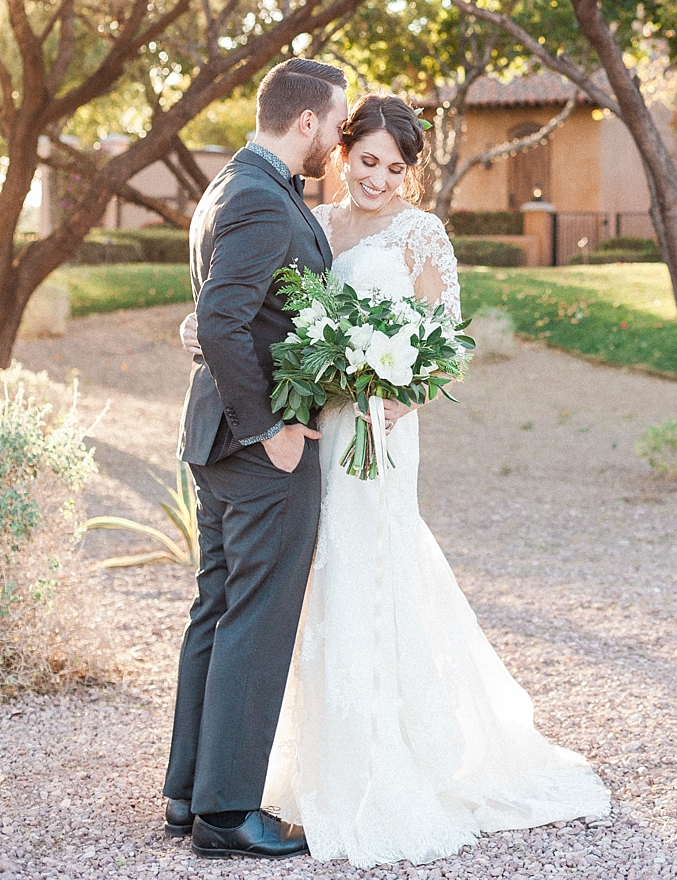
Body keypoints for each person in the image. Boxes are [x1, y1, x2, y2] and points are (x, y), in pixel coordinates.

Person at [180, 93, 610, 866]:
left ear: (412, 173)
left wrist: (385, 386)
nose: (377, 178)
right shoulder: (312, 222)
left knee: (364, 576)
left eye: (394, 167)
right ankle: (271, 769)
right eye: (366, 160)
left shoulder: (422, 235)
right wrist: (203, 329)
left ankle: (376, 764)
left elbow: (440, 350)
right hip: (308, 429)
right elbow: (262, 318)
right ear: (340, 151)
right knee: (296, 594)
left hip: (375, 432)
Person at [163, 58, 348, 861]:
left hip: (214, 439)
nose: (339, 140)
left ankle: (187, 793)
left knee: (217, 607)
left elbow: (228, 315)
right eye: (337, 124)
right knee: (256, 617)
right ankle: (228, 811)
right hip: (253, 447)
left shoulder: (229, 185)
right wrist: (271, 427)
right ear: (306, 122)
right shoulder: (260, 199)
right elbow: (222, 324)